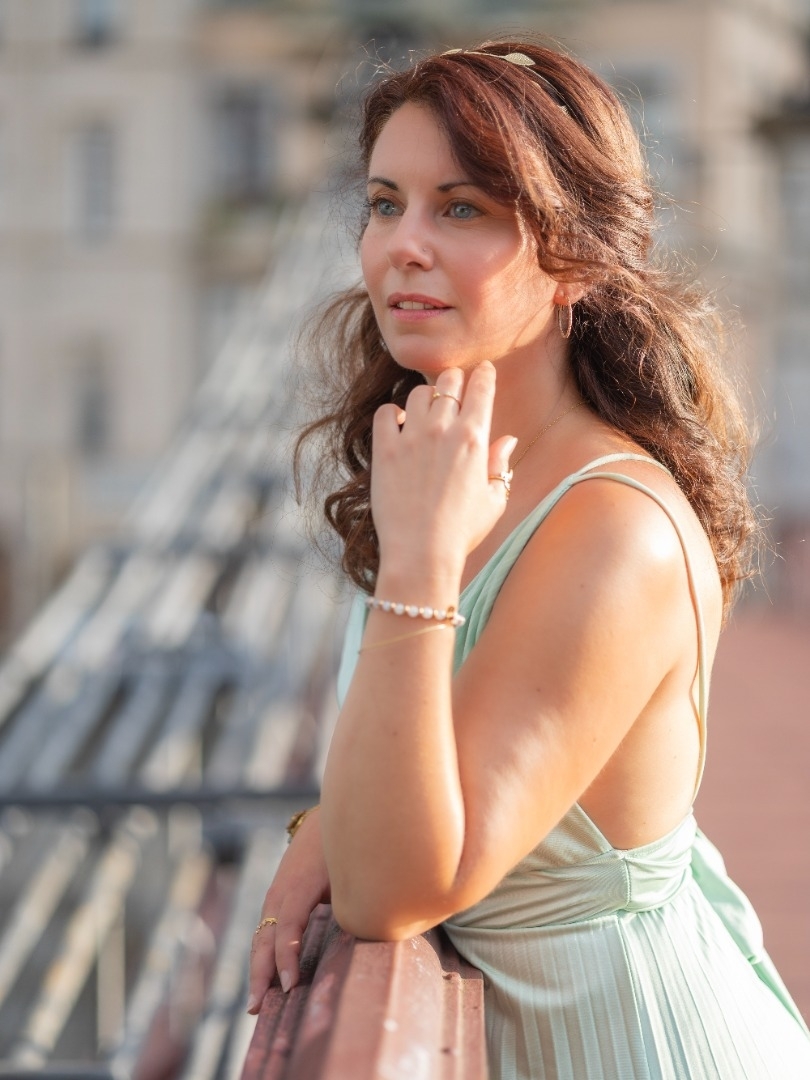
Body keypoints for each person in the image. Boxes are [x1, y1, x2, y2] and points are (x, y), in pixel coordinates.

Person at [247, 38, 810, 1079]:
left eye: (462, 209)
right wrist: (328, 820)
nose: (403, 246)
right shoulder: (446, 462)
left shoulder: (615, 530)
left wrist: (418, 568)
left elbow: (390, 893)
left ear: (577, 261)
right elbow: (436, 748)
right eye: (384, 204)